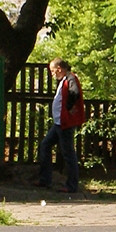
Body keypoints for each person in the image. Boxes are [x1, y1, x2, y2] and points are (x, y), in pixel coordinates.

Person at [34, 58, 85, 193]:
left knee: (68, 154)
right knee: (45, 145)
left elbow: (75, 93)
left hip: (65, 123)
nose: (52, 74)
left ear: (59, 69)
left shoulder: (71, 78)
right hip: (58, 123)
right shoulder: (64, 80)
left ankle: (72, 185)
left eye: (52, 71)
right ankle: (45, 179)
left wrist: (68, 107)